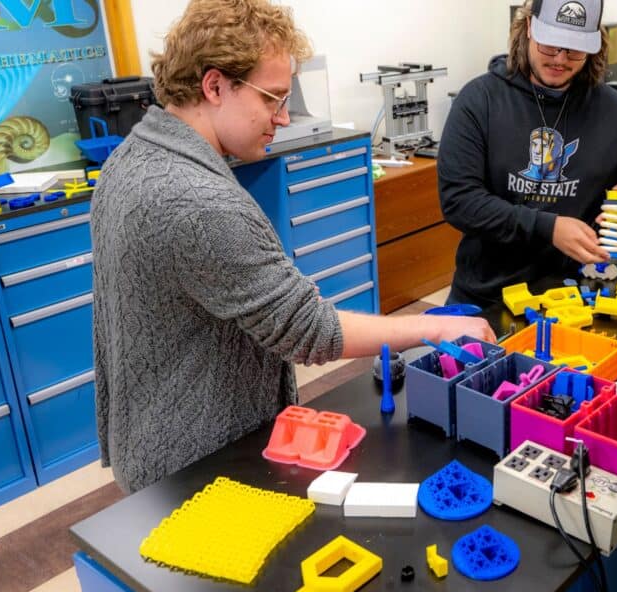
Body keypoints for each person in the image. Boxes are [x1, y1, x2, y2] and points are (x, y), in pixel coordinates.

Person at [90, 0, 494, 494]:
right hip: (197, 463)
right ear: (215, 86)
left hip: (148, 439)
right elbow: (308, 329)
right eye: (272, 98)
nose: (283, 118)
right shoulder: (197, 201)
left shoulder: (129, 158)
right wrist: (435, 327)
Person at [439, 0, 617, 308]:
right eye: (550, 46)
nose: (560, 59)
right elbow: (459, 201)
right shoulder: (479, 101)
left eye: (574, 50)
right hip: (486, 297)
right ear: (529, 27)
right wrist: (549, 227)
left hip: (577, 293)